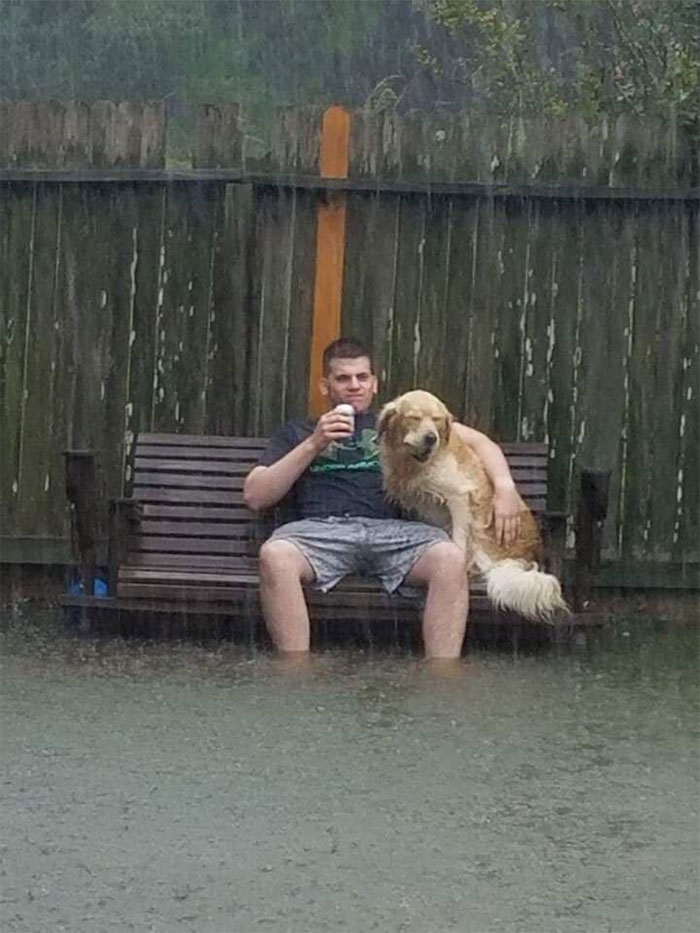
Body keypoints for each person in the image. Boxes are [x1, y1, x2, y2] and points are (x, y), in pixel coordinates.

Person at [244, 337, 522, 659]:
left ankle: (442, 677)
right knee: (274, 555)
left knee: (450, 559)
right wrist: (314, 443)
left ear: (374, 384)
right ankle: (295, 674)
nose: (354, 386)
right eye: (342, 378)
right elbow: (255, 495)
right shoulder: (298, 432)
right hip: (323, 531)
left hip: (394, 532)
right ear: (325, 386)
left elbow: (482, 444)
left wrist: (505, 489)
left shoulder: (400, 422)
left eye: (362, 378)